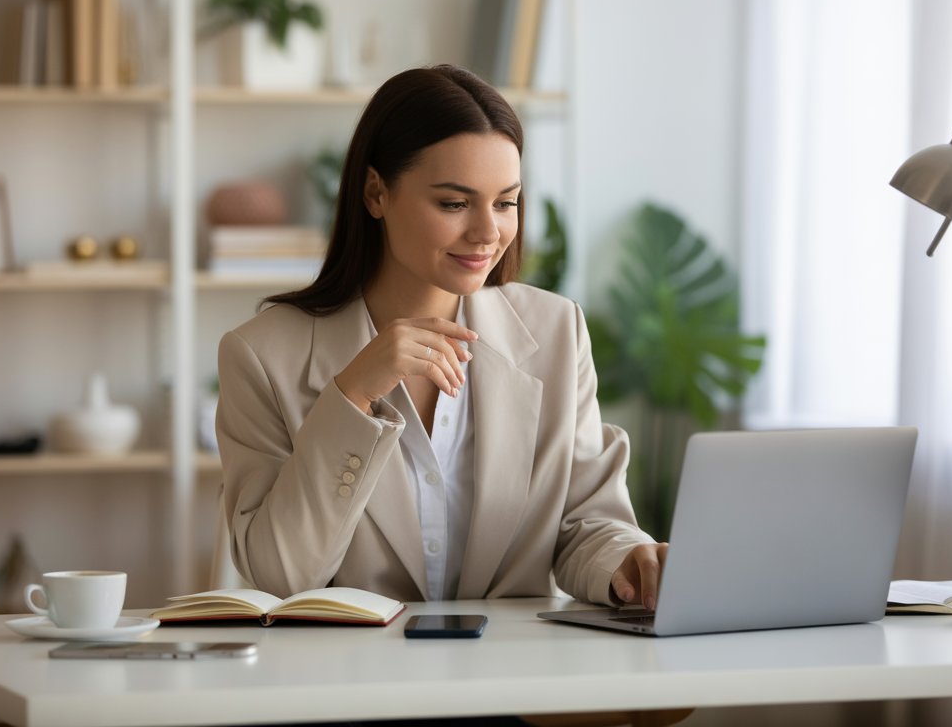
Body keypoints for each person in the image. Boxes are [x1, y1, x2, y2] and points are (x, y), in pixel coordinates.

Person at [217, 64, 666, 611]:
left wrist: (626, 561)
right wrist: (351, 397)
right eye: (454, 204)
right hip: (352, 686)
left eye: (506, 202)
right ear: (377, 193)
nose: (487, 232)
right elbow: (281, 575)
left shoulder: (556, 332)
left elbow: (587, 523)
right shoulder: (262, 356)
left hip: (513, 681)